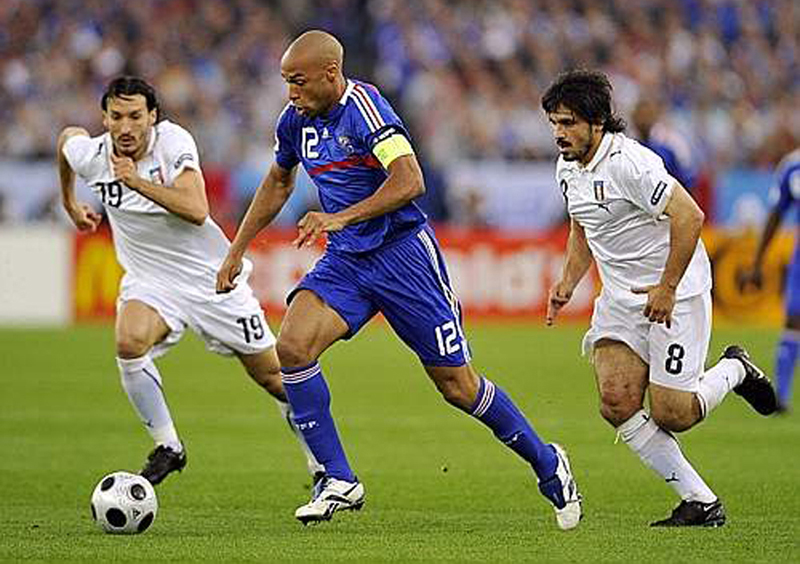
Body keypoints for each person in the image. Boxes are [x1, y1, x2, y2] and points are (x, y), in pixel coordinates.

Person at [216, 30, 582, 529]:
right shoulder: (294, 122)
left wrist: (341, 217)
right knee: (293, 348)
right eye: (285, 83)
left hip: (403, 256)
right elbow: (279, 181)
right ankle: (338, 477)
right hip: (348, 259)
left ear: (330, 74)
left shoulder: (365, 107)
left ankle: (547, 462)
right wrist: (237, 248)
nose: (290, 93)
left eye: (298, 82)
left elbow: (411, 181)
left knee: (457, 386)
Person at [57, 76, 321, 486]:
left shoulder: (172, 143)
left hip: (210, 282)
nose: (126, 127)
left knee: (276, 378)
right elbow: (66, 140)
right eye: (116, 117)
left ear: (153, 117)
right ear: (104, 119)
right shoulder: (92, 155)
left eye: (135, 116)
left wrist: (136, 182)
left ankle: (320, 463)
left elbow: (197, 209)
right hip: (151, 281)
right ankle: (168, 447)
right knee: (128, 342)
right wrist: (70, 201)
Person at [541, 69, 777, 527]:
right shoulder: (567, 168)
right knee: (616, 401)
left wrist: (668, 287)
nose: (559, 134)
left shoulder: (631, 163)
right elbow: (581, 226)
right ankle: (700, 501)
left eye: (568, 123)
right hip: (621, 298)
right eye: (554, 123)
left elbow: (689, 216)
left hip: (676, 292)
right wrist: (568, 281)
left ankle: (734, 369)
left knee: (674, 413)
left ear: (596, 122)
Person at [740, 147, 800, 413]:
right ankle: (782, 397)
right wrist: (757, 262)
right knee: (793, 318)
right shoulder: (792, 166)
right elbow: (776, 215)